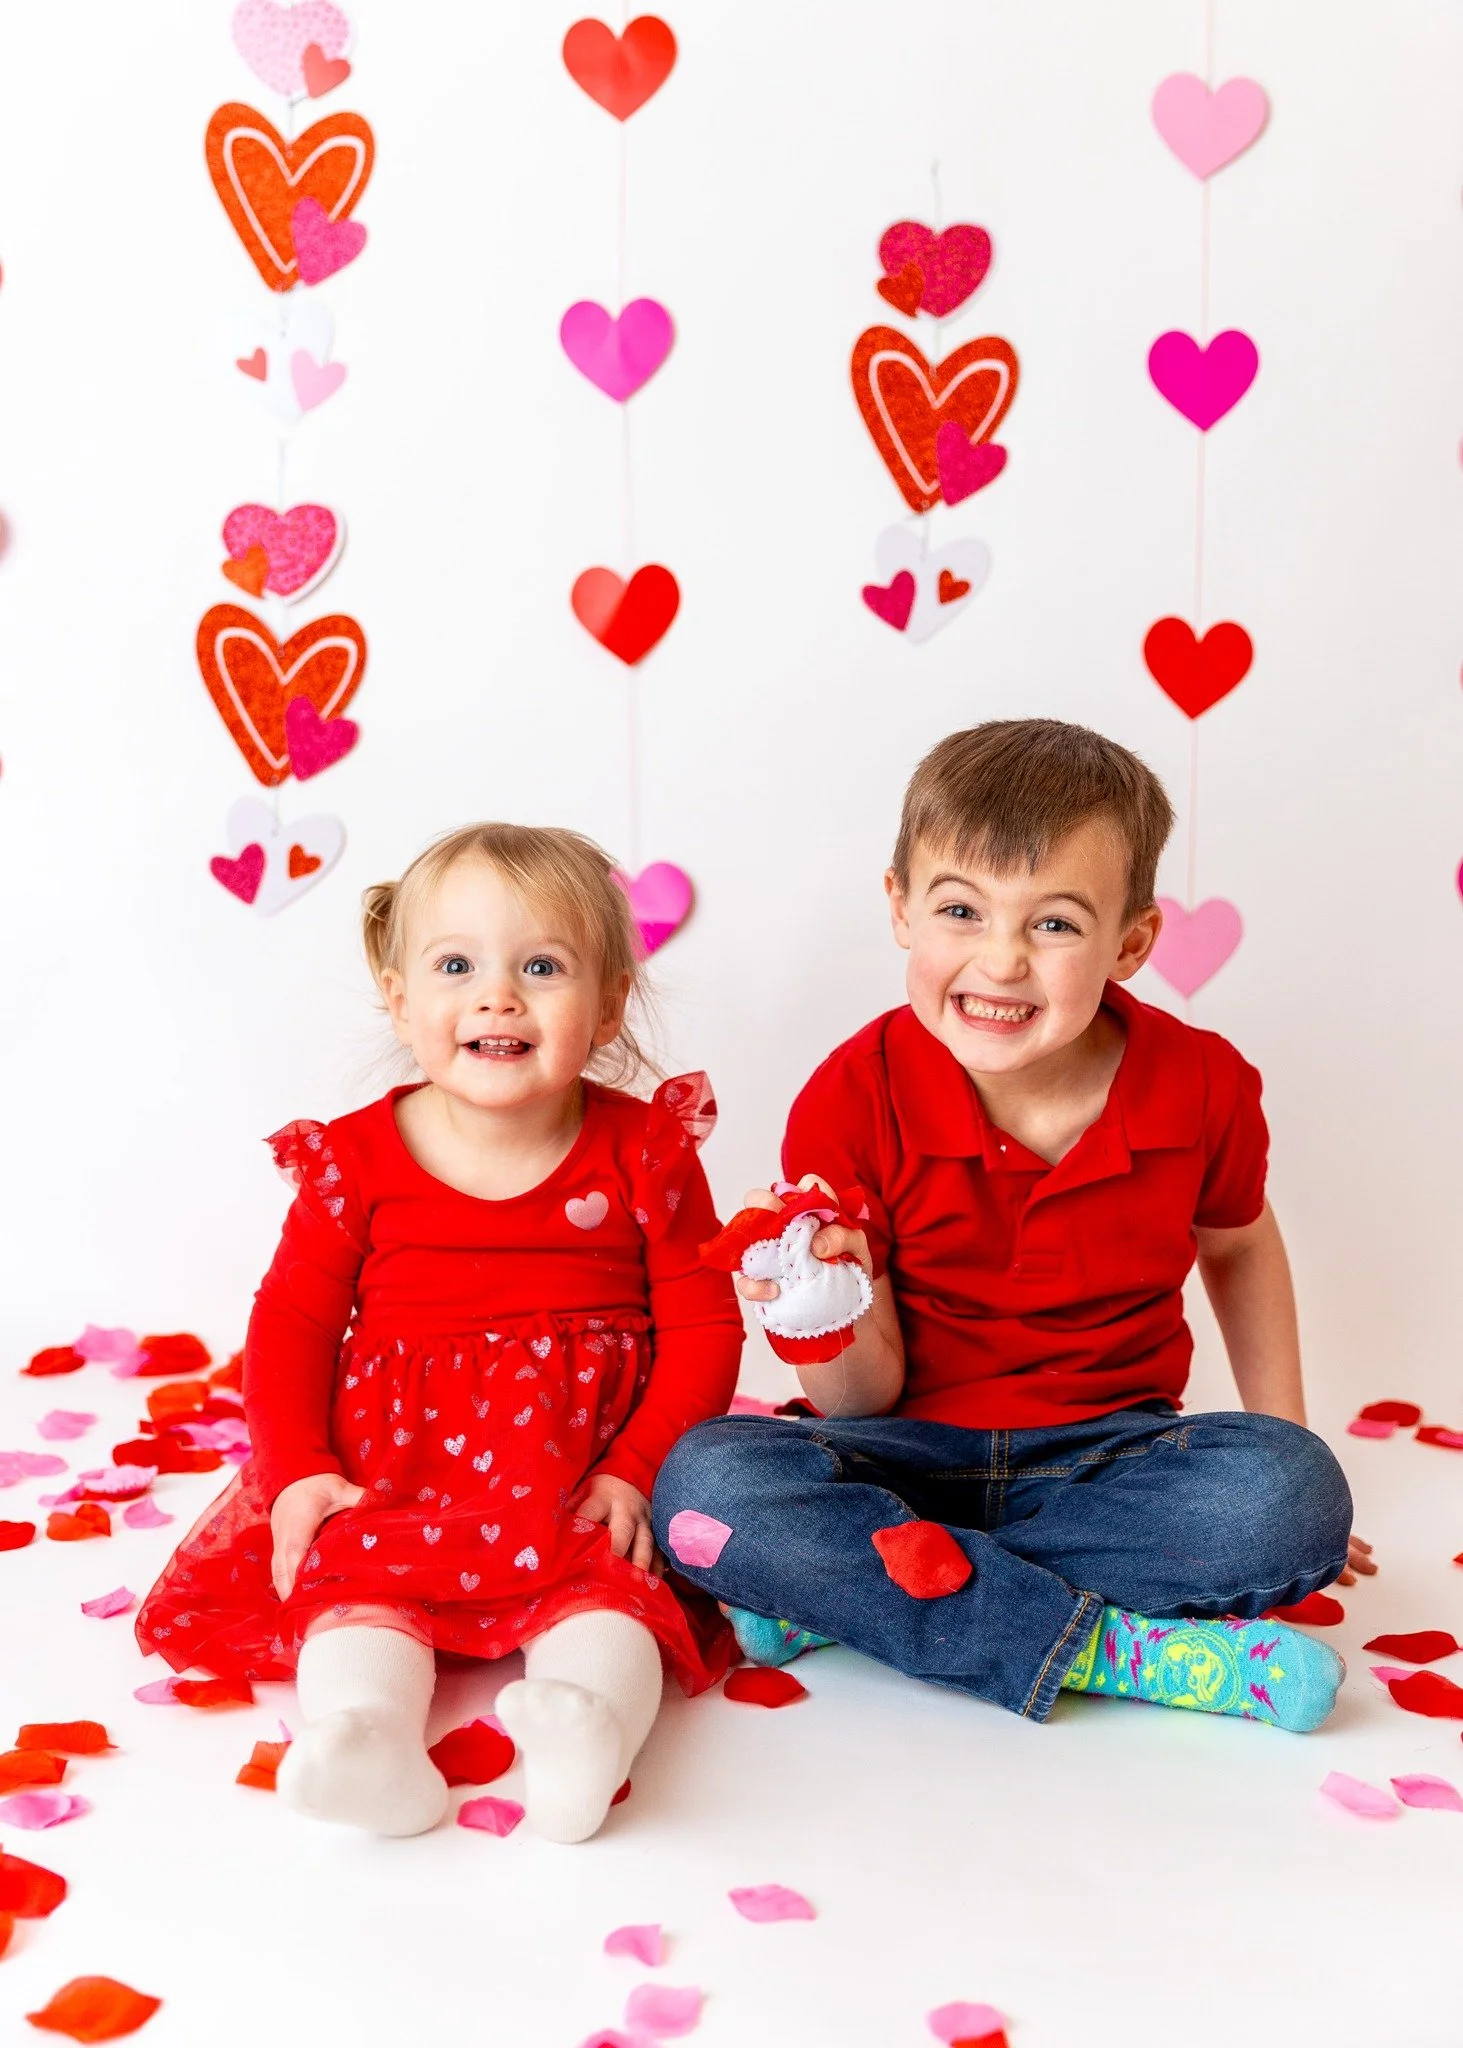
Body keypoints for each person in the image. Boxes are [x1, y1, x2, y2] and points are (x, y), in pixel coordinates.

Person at [654, 719, 1373, 1732]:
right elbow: (862, 1397)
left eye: (1054, 925)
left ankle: (858, 1598)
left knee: (1288, 1494)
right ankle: (1125, 1652)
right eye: (960, 909)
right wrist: (818, 1315)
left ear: (1129, 941)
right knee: (704, 1482)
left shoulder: (1203, 1083)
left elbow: (1239, 1241)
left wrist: (1288, 1430)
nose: (999, 961)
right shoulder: (851, 1094)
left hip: (1104, 1457)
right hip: (894, 1455)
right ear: (899, 906)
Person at [136, 823, 742, 1839]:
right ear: (400, 997)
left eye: (540, 966)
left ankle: (584, 1730)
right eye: (456, 964)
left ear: (605, 1008)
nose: (496, 995)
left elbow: (704, 1320)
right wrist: (296, 1471)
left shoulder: (643, 1148)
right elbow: (290, 1323)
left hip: (580, 1460)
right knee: (352, 1587)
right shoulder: (357, 1160)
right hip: (400, 1463)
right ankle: (366, 1740)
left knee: (611, 1595)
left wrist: (637, 1464)